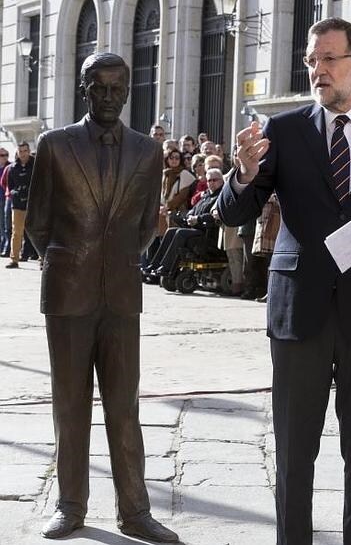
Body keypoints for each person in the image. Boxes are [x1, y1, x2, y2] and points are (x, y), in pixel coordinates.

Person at [217, 17, 351, 545]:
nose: (317, 70)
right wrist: (243, 173)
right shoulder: (284, 132)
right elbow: (234, 211)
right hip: (300, 314)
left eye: (328, 59)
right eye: (311, 61)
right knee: (295, 450)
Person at [25, 53, 178, 543]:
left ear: (129, 92)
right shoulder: (55, 145)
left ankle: (135, 510)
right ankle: (71, 504)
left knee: (124, 405)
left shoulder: (147, 151)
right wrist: (71, 261)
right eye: (100, 88)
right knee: (70, 405)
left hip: (121, 293)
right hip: (68, 291)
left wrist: (116, 262)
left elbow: (143, 228)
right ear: (84, 88)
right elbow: (38, 223)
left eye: (118, 89)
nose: (109, 97)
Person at [144, 168, 224, 278]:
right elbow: (192, 211)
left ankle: (166, 267)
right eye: (209, 180)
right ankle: (155, 264)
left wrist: (198, 219)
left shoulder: (221, 196)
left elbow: (216, 215)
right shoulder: (205, 196)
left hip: (209, 233)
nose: (212, 183)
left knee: (181, 233)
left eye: (215, 180)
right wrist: (187, 217)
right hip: (197, 229)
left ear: (222, 181)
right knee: (171, 231)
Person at [6, 141, 35, 268]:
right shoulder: (12, 168)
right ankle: (14, 259)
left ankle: (43, 259)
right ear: (17, 152)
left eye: (25, 151)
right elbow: (9, 186)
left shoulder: (36, 165)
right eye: (20, 151)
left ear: (29, 151)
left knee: (37, 231)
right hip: (18, 204)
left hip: (34, 203)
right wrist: (15, 192)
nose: (23, 154)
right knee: (16, 232)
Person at [0, 148, 11, 257]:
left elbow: (4, 183)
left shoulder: (9, 167)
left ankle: (5, 247)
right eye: (2, 155)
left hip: (5, 198)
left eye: (6, 155)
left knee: (5, 224)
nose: (4, 157)